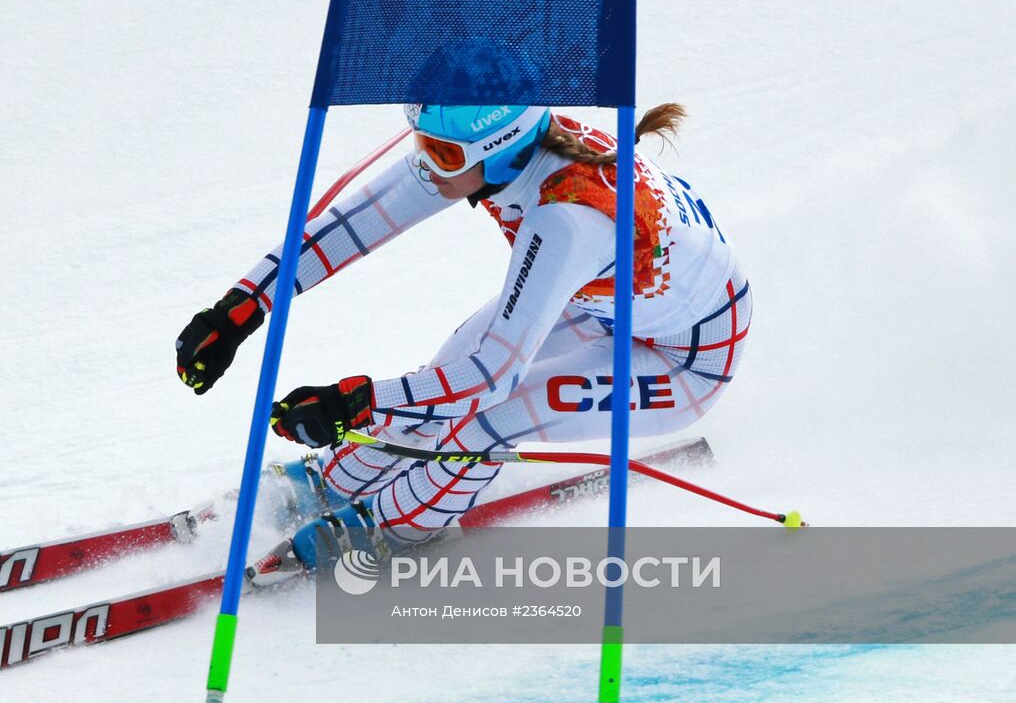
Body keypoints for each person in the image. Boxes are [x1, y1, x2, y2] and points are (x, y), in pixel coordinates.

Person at [176, 101, 750, 581]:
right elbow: (354, 225)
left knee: (484, 417)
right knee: (443, 377)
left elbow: (491, 376)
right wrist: (239, 310)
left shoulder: (569, 219)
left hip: (685, 357)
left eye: (443, 153)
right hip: (605, 307)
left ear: (498, 149)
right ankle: (336, 480)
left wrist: (353, 400)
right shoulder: (495, 156)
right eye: (421, 140)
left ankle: (397, 526)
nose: (426, 164)